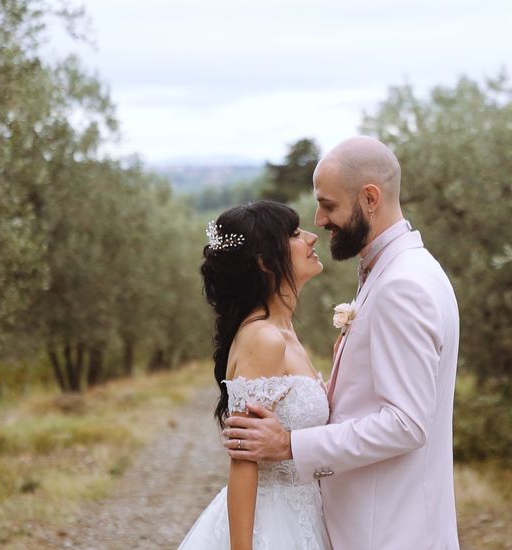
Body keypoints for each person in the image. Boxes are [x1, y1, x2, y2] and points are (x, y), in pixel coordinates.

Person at [223, 136, 461, 549]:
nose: (319, 220)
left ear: (370, 198)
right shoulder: (405, 271)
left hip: (387, 531)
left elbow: (407, 423)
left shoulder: (402, 285)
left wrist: (291, 443)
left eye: (329, 205)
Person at [178, 200, 332, 550]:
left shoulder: (285, 332)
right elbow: (244, 459)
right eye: (294, 234)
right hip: (272, 525)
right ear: (264, 261)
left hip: (308, 516)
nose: (311, 238)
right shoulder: (263, 338)